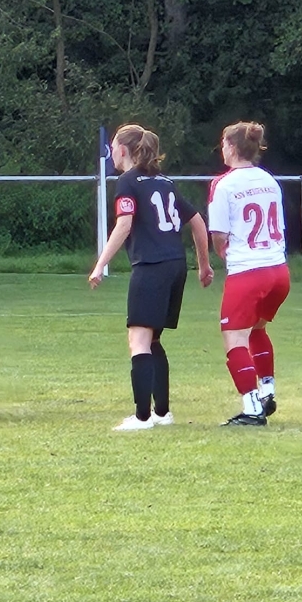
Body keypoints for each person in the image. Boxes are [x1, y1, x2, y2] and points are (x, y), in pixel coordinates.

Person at [89, 124, 213, 430]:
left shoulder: (127, 182)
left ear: (122, 150)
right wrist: (204, 265)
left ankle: (142, 417)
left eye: (113, 148)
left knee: (139, 340)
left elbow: (124, 225)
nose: (112, 153)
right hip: (175, 266)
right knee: (153, 338)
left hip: (151, 266)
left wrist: (100, 265)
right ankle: (162, 412)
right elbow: (198, 222)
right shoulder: (165, 182)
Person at [207, 121, 289, 426]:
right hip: (278, 270)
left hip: (248, 272)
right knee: (257, 329)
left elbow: (219, 234)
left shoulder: (224, 184)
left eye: (224, 143)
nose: (222, 148)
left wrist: (223, 252)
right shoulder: (269, 180)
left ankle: (252, 407)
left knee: (234, 339)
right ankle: (267, 389)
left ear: (232, 147)